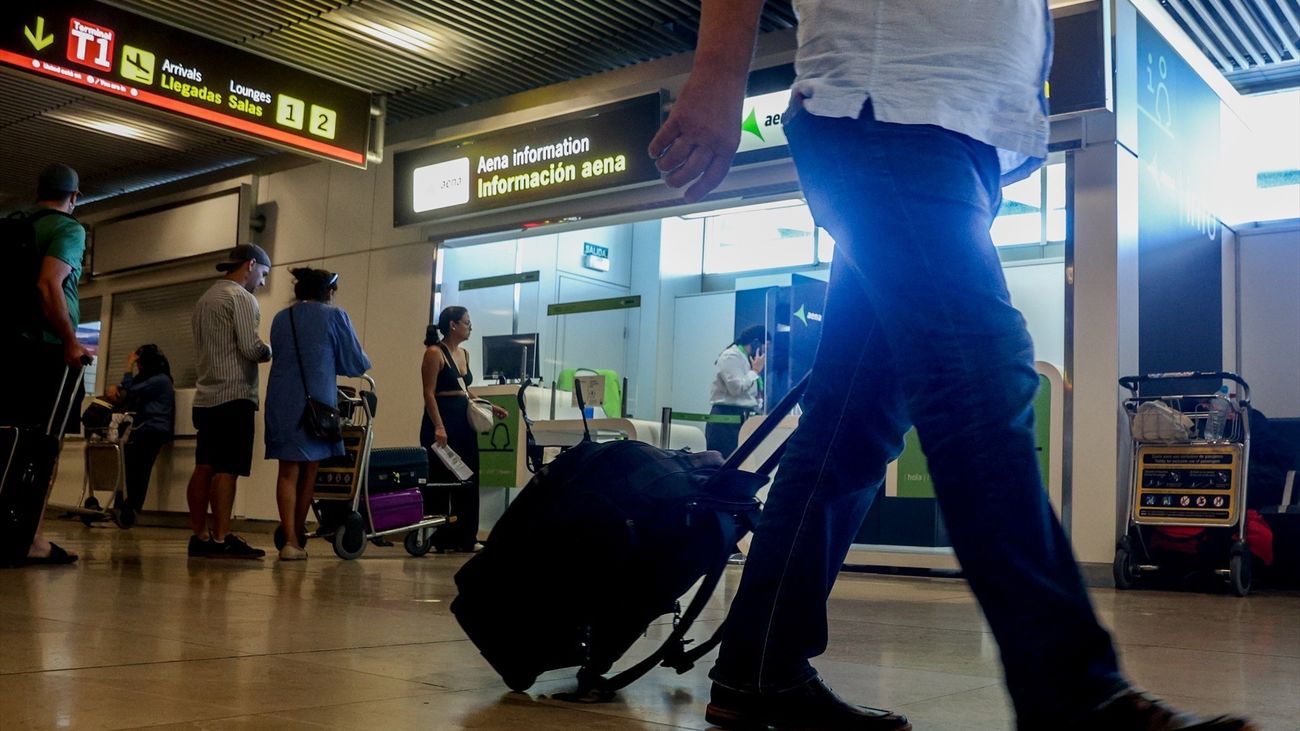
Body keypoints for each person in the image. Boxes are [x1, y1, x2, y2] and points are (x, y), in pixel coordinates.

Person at [648, 3, 1253, 731]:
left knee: (850, 429)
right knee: (982, 375)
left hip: (956, 136)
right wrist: (718, 74)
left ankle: (759, 665)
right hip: (887, 108)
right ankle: (1075, 698)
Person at [0, 163, 92, 566]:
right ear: (73, 196)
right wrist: (72, 341)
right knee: (45, 446)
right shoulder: (68, 228)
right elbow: (48, 283)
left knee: (7, 440)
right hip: (46, 352)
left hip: (9, 351)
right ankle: (31, 539)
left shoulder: (13, 226)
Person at [264, 268, 371, 560]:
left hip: (281, 400)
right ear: (329, 292)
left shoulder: (281, 319)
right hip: (317, 404)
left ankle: (288, 539)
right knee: (310, 468)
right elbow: (355, 362)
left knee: (287, 470)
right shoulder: (334, 315)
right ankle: (296, 538)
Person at [186, 244, 273, 559]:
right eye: (262, 274)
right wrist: (271, 351)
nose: (261, 282)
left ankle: (200, 536)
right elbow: (251, 348)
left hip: (205, 398)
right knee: (228, 469)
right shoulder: (241, 297)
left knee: (204, 466)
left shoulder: (205, 298)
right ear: (250, 265)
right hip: (234, 396)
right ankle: (222, 539)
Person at [420, 307, 506, 553]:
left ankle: (466, 535)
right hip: (442, 421)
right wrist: (438, 425)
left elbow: (465, 391)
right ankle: (437, 536)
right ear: (453, 325)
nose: (470, 327)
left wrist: (489, 406)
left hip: (463, 423)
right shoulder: (434, 353)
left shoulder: (464, 354)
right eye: (467, 323)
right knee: (441, 477)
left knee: (468, 477)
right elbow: (428, 393)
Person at [106, 344, 175, 528]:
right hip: (146, 429)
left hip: (152, 430)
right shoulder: (159, 379)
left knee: (139, 470)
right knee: (133, 469)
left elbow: (130, 388)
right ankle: (126, 507)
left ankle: (131, 508)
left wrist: (128, 365)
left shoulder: (159, 380)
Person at [707, 324, 766, 456]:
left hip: (744, 417)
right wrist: (755, 371)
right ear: (756, 343)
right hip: (726, 419)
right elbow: (736, 388)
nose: (764, 353)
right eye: (764, 347)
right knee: (724, 462)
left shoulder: (746, 359)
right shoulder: (731, 356)